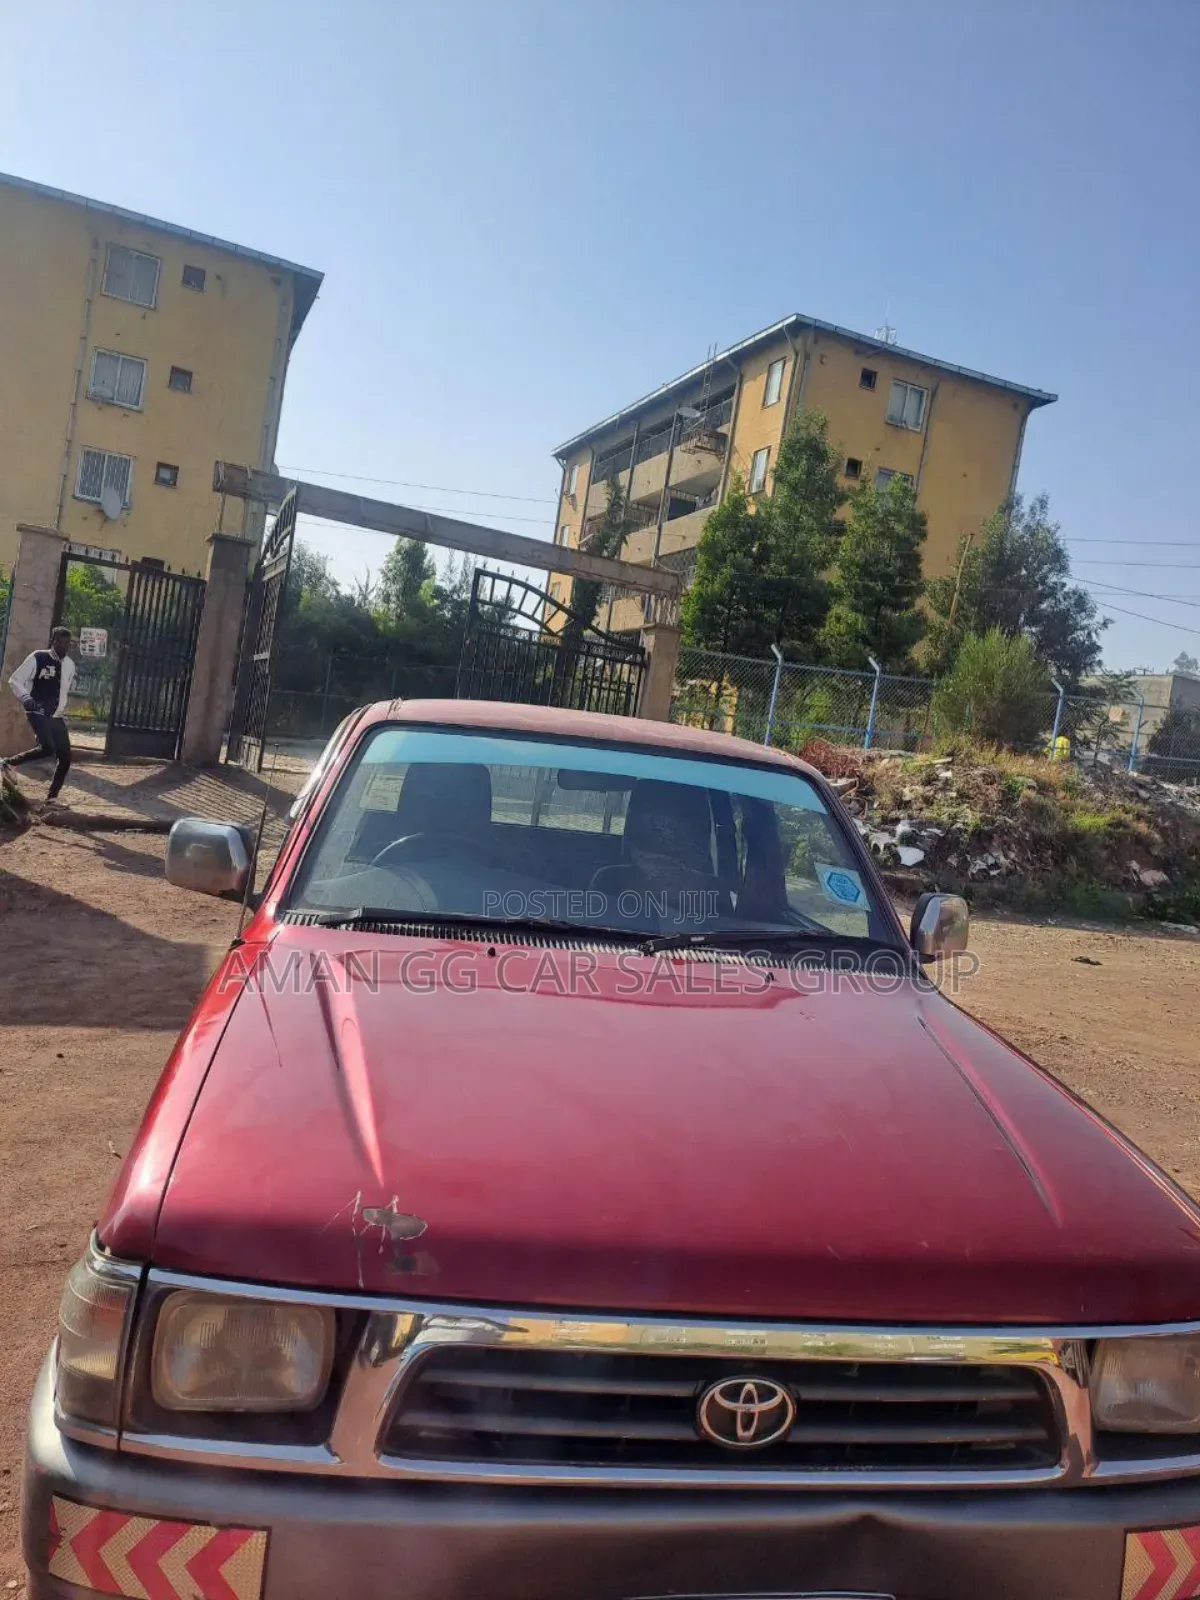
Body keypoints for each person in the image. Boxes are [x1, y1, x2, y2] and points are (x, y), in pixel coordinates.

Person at [3, 626, 76, 808]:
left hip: (56, 716)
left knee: (65, 757)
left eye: (67, 643)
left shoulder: (70, 665)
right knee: (48, 747)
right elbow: (15, 679)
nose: (64, 646)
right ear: (53, 641)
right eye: (61, 642)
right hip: (37, 710)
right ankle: (7, 763)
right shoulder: (38, 657)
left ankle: (51, 799)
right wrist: (26, 699)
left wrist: (61, 709)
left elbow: (64, 690)